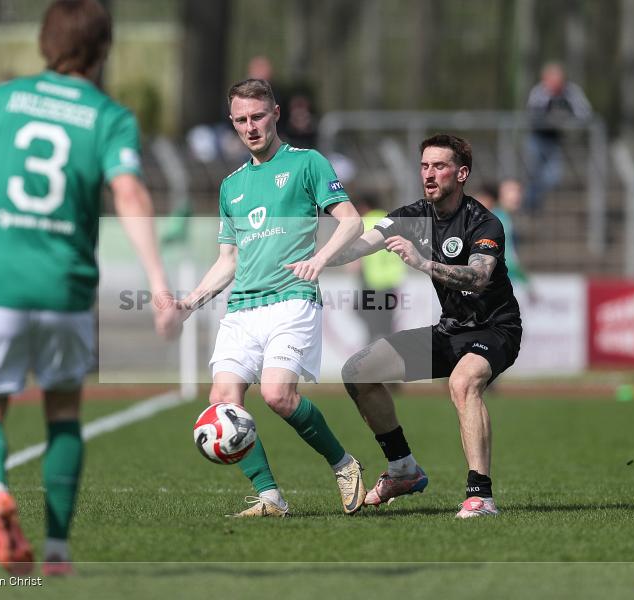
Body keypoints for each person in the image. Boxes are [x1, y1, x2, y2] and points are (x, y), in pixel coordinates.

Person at [0, 0, 179, 576]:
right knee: (62, 410)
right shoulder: (108, 116)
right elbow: (130, 195)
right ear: (102, 50)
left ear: (45, 43)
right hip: (63, 286)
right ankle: (58, 549)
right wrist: (159, 282)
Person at [176, 78, 366, 517]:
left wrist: (319, 259)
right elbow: (229, 260)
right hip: (242, 307)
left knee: (278, 395)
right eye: (241, 120)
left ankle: (344, 464)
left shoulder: (308, 164)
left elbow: (351, 222)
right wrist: (190, 301)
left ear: (275, 113)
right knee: (221, 401)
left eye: (258, 116)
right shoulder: (231, 185)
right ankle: (270, 498)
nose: (250, 126)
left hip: (292, 297)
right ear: (232, 123)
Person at [331, 134, 522, 518]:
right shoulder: (411, 215)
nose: (429, 174)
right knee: (357, 371)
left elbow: (479, 277)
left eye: (439, 166)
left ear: (462, 173)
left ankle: (480, 496)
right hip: (451, 329)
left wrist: (423, 264)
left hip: (494, 329)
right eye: (424, 166)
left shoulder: (484, 222)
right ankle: (403, 468)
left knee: (462, 382)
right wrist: (314, 255)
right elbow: (359, 247)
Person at [524, 62, 591, 213]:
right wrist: (550, 117)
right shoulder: (539, 92)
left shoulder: (571, 92)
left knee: (553, 176)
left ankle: (536, 201)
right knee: (533, 173)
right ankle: (530, 206)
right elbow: (533, 114)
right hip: (536, 138)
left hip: (554, 141)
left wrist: (567, 119)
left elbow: (585, 112)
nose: (555, 86)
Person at [354, 194, 406, 343]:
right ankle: (389, 354)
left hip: (373, 281)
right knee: (386, 324)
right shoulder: (391, 220)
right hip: (392, 280)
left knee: (371, 323)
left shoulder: (365, 222)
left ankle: (372, 356)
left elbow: (356, 255)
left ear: (363, 207)